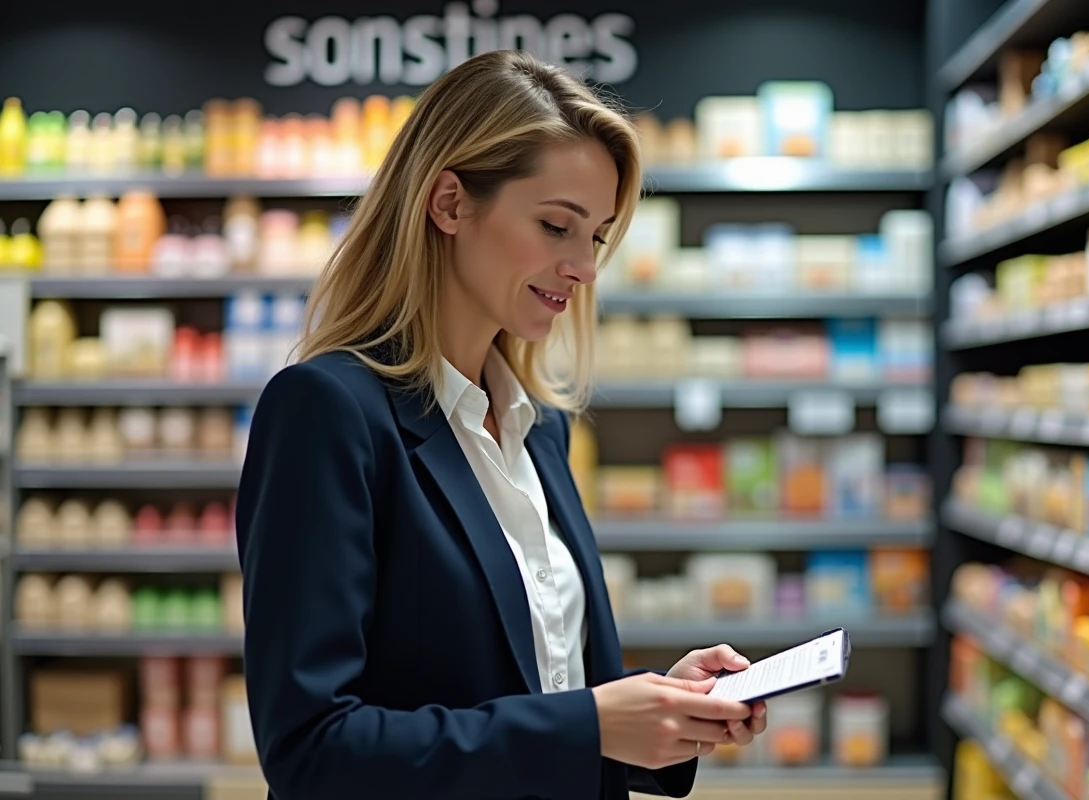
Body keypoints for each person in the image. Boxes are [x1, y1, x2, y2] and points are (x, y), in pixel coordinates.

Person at [235, 50, 768, 800]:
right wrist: (591, 723)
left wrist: (664, 713)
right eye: (557, 226)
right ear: (449, 203)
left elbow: (543, 686)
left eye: (598, 237)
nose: (583, 267)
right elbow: (310, 749)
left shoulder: (539, 428)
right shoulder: (327, 412)